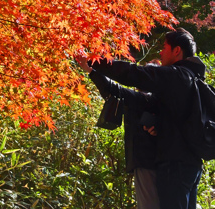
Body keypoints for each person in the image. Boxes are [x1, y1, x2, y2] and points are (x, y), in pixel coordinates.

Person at [90, 28, 208, 209]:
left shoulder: (176, 75)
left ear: (177, 51)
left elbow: (134, 74)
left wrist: (95, 61)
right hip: (190, 161)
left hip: (175, 163)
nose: (161, 52)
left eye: (165, 47)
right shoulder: (193, 79)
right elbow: (139, 99)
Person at [89, 69, 161, 209]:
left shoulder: (144, 99)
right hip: (158, 162)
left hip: (145, 161)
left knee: (148, 205)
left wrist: (91, 70)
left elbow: (115, 90)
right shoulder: (159, 100)